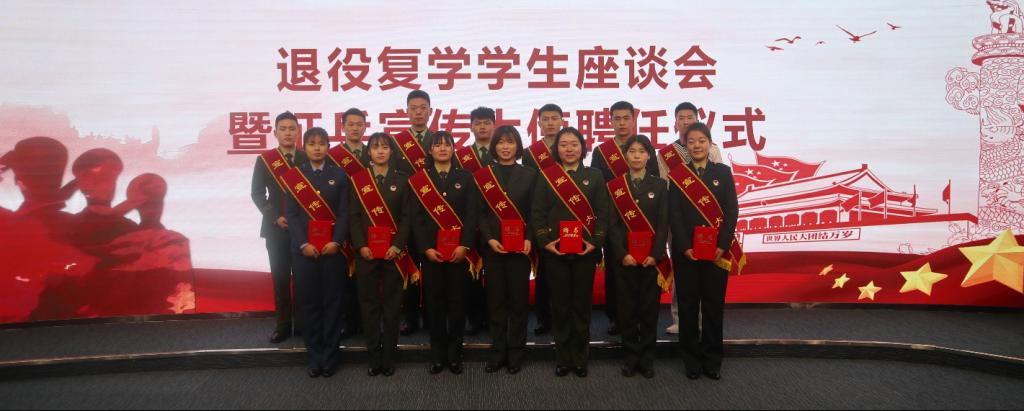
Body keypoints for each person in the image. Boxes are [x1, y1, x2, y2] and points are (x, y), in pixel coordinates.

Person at [531, 127, 611, 378]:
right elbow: (537, 213)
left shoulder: (595, 175)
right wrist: (545, 241)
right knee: (560, 305)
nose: (569, 149)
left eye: (574, 144)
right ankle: (563, 357)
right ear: (557, 149)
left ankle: (580, 357)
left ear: (582, 147)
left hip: (585, 252)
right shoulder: (547, 175)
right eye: (563, 144)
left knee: (581, 305)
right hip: (555, 252)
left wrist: (595, 242)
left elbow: (604, 213)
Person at [668, 122, 741, 381]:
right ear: (685, 146)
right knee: (687, 307)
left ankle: (712, 360)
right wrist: (685, 246)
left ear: (710, 144)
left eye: (701, 140)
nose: (696, 145)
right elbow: (674, 214)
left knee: (713, 306)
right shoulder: (678, 175)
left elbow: (732, 210)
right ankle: (691, 360)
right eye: (691, 141)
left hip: (717, 253)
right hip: (686, 252)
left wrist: (723, 245)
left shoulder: (723, 172)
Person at [409, 131, 480, 375]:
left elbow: (472, 215)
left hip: (459, 254)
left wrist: (465, 245)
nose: (442, 148)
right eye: (437, 145)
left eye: (446, 145)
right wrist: (426, 248)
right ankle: (438, 355)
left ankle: (455, 354)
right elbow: (416, 219)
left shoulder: (466, 178)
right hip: (432, 255)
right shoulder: (420, 180)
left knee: (458, 304)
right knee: (435, 305)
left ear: (453, 148)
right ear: (430, 150)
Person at [283, 127, 351, 378]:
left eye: (321, 143)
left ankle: (330, 358)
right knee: (310, 305)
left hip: (332, 251)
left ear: (328, 147)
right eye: (312, 144)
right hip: (304, 253)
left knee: (333, 304)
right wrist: (303, 244)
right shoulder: (295, 177)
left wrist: (337, 241)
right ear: (305, 147)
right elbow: (291, 215)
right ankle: (315, 358)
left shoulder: (339, 175)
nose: (317, 148)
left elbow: (344, 212)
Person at [349, 132, 417, 377]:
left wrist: (397, 246)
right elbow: (354, 217)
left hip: (393, 254)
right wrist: (360, 246)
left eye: (385, 147)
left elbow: (407, 217)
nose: (380, 151)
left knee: (391, 306)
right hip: (366, 253)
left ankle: (388, 356)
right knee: (369, 306)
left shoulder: (403, 180)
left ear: (391, 152)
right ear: (368, 152)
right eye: (375, 147)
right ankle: (373, 356)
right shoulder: (358, 180)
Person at [590, 101, 660, 336]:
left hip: (643, 223)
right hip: (615, 223)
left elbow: (655, 182)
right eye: (617, 118)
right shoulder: (602, 151)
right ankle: (616, 318)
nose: (621, 123)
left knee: (644, 273)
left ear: (633, 119)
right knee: (615, 272)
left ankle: (641, 318)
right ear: (610, 121)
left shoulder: (645, 147)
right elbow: (598, 187)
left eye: (626, 118)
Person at [475, 126, 537, 375]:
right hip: (494, 249)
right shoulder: (483, 175)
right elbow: (480, 213)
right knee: (496, 302)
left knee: (519, 303)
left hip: (520, 249)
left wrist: (529, 239)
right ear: (494, 146)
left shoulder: (530, 174)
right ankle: (498, 351)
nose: (505, 147)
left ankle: (516, 353)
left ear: (517, 145)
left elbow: (534, 212)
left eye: (510, 142)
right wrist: (489, 239)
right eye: (500, 142)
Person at [606, 135, 669, 379]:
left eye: (641, 151)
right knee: (627, 310)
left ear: (648, 156)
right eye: (632, 151)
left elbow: (663, 224)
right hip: (625, 261)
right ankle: (631, 358)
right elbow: (612, 225)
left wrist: (656, 254)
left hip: (651, 261)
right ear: (625, 156)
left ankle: (647, 359)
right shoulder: (615, 186)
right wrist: (622, 254)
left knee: (649, 311)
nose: (636, 155)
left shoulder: (659, 185)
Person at [659, 102, 722, 336]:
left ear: (697, 119)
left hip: (707, 218)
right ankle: (679, 318)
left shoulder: (712, 149)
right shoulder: (666, 154)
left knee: (707, 269)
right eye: (681, 118)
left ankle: (704, 318)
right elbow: (665, 187)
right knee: (682, 270)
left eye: (689, 117)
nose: (685, 121)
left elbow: (719, 183)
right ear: (675, 123)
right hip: (678, 222)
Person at [250, 111, 308, 343]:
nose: (288, 133)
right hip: (276, 229)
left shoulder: (307, 156)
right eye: (283, 129)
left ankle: (302, 325)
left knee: (303, 279)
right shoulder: (265, 160)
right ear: (275, 133)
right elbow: (257, 193)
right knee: (281, 278)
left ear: (298, 132)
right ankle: (283, 326)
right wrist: (275, 217)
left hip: (303, 229)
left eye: (292, 129)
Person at [391, 90, 435, 336]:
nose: (418, 112)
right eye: (414, 108)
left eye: (423, 108)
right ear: (406, 111)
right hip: (406, 215)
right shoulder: (396, 142)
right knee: (408, 268)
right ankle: (409, 317)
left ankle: (430, 316)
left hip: (434, 216)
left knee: (431, 269)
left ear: (431, 111)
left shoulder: (439, 141)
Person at [522, 103, 565, 336]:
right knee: (543, 270)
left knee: (564, 270)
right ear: (538, 123)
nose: (550, 123)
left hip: (567, 217)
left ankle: (562, 317)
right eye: (545, 119)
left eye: (554, 118)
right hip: (541, 216)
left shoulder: (569, 146)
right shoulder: (531, 153)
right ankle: (543, 318)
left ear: (562, 121)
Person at [331, 107, 371, 339]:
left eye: (359, 124)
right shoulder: (333, 155)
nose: (355, 128)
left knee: (365, 276)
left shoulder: (373, 152)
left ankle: (367, 321)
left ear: (365, 127)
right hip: (339, 221)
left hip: (368, 222)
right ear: (343, 127)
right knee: (344, 274)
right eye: (351, 124)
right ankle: (348, 320)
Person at [458, 106, 498, 336]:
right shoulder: (461, 156)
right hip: (469, 223)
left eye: (487, 122)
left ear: (494, 125)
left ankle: (494, 318)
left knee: (494, 276)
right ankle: (474, 318)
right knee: (470, 275)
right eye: (478, 123)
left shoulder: (503, 152)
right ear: (471, 126)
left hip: (496, 224)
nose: (482, 127)